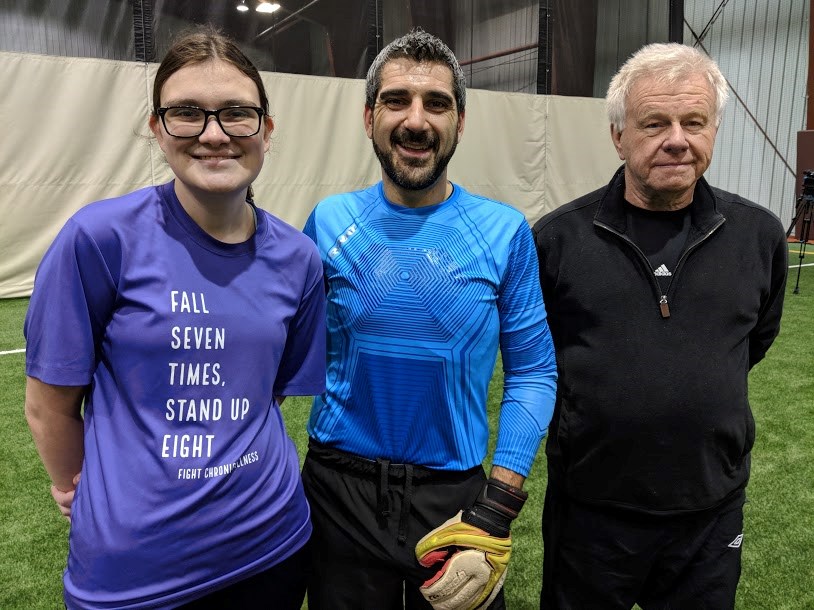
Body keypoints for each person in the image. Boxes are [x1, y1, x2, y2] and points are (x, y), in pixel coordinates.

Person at [24, 26, 326, 609]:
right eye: (187, 113)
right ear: (157, 129)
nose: (214, 134)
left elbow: (268, 393)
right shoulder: (98, 239)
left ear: (266, 129)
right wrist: (81, 488)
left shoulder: (298, 259)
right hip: (132, 577)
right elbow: (47, 405)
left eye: (236, 114)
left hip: (272, 549)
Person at [301, 28, 557, 610]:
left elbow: (535, 372)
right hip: (338, 493)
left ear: (459, 122)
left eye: (436, 103)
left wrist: (496, 509)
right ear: (369, 116)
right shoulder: (328, 221)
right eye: (397, 100)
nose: (416, 120)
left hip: (456, 502)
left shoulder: (503, 231)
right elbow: (278, 353)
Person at [533, 43, 788, 609]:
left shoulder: (759, 236)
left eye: (694, 121)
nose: (678, 138)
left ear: (713, 129)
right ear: (618, 136)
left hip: (709, 515)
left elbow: (753, 341)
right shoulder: (557, 241)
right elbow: (540, 360)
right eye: (655, 123)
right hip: (591, 515)